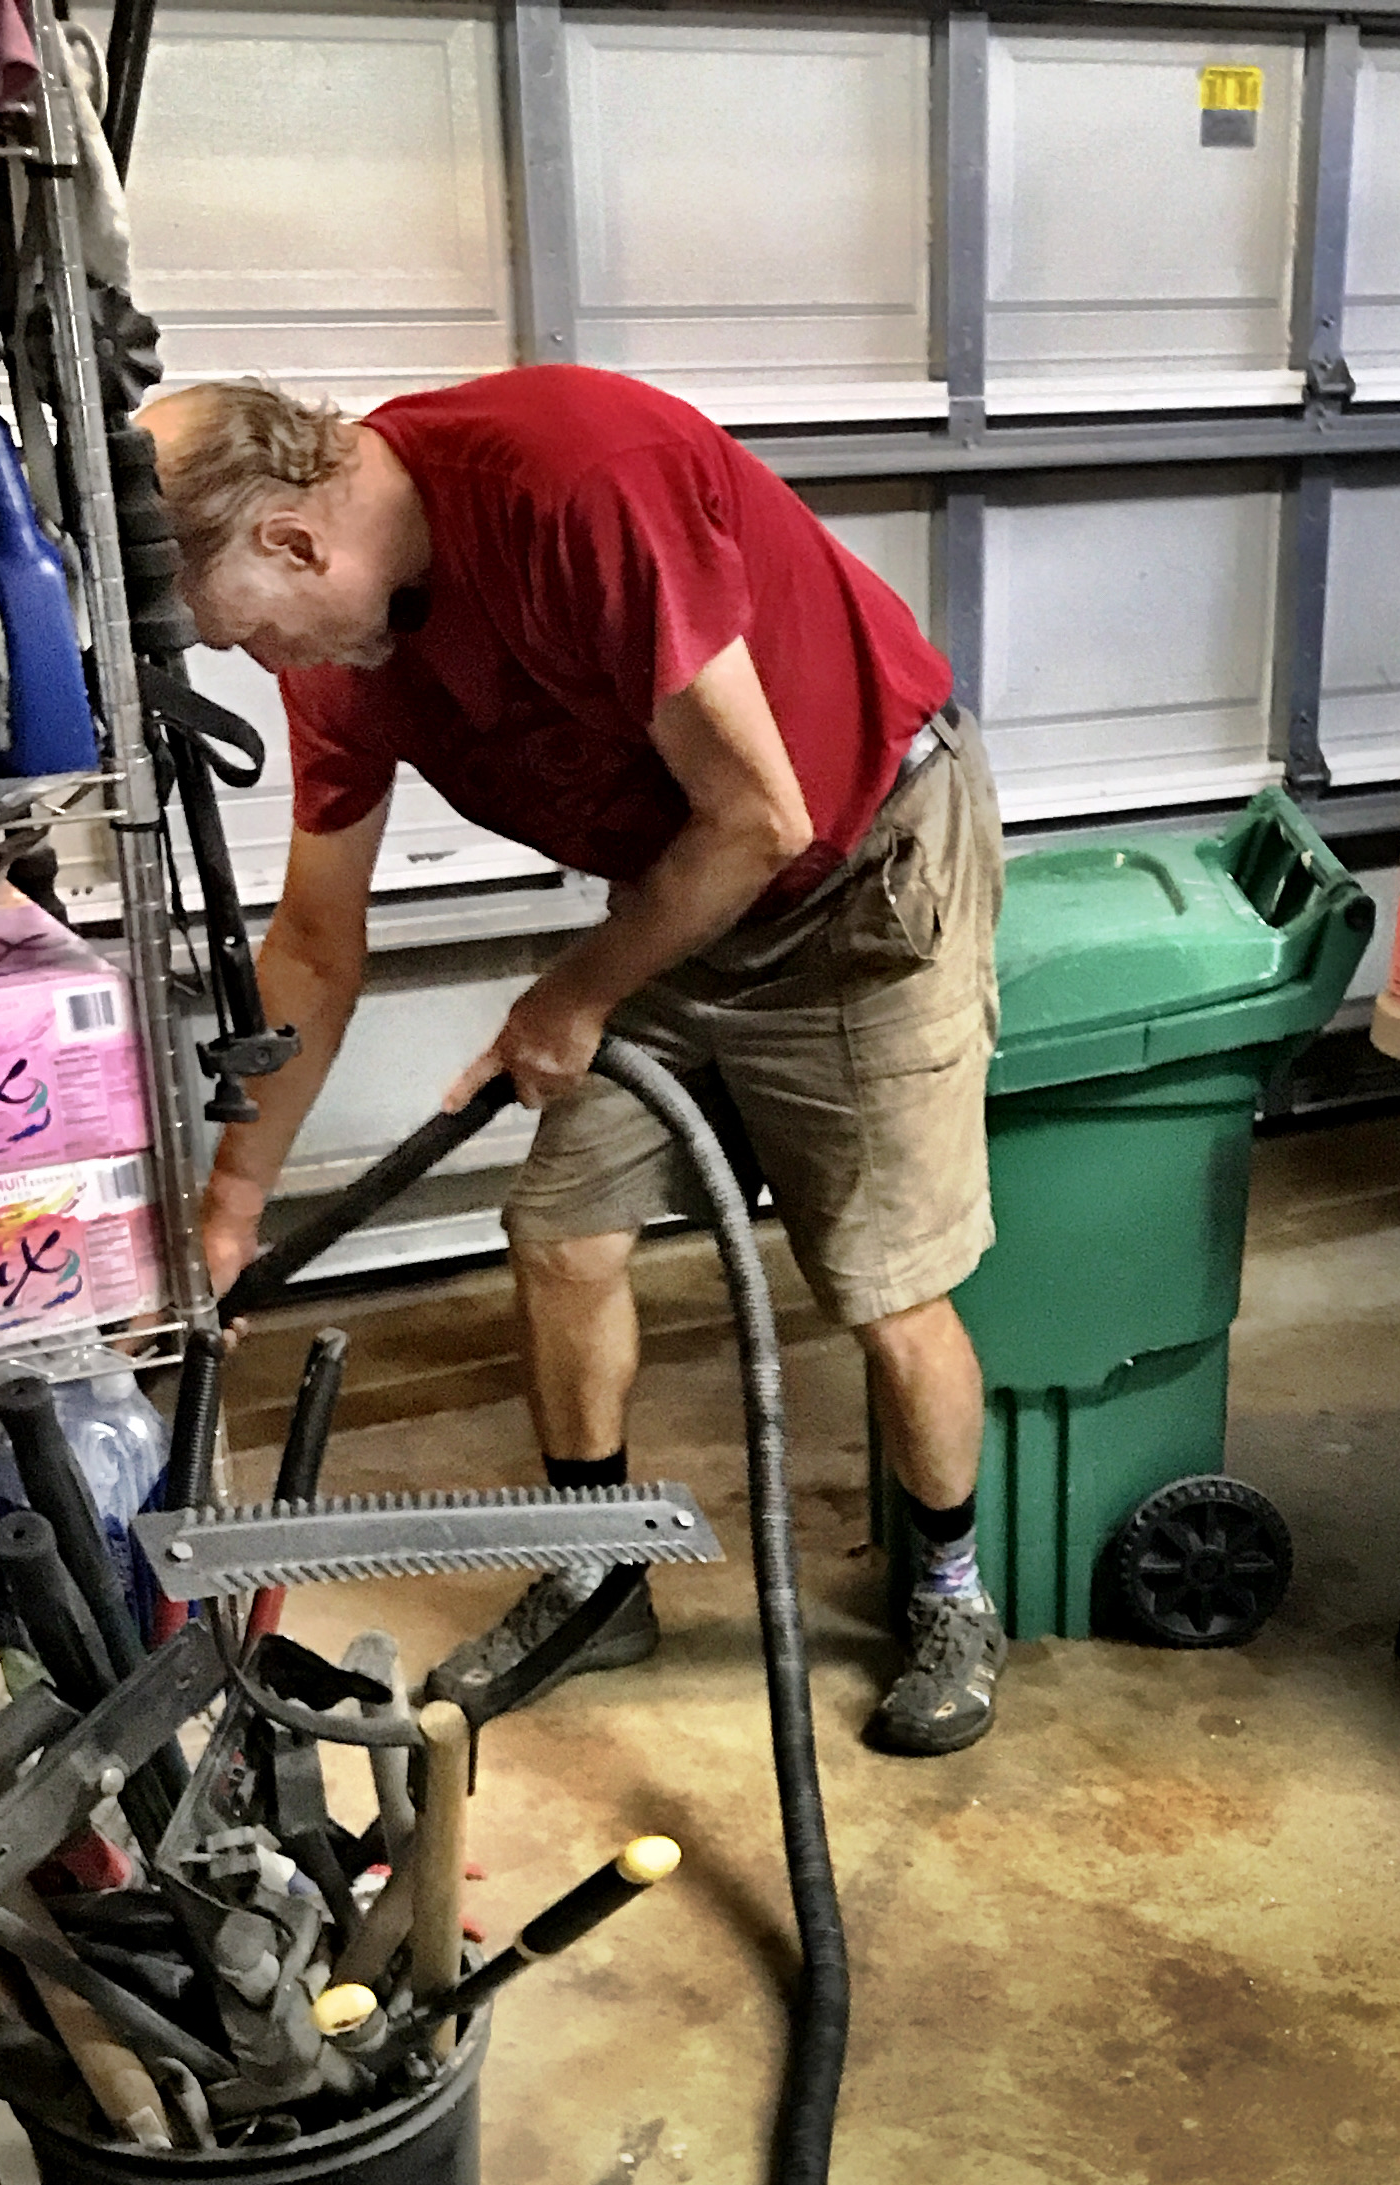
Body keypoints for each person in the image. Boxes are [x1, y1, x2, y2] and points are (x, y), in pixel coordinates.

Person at [140, 365, 1009, 1754]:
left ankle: (954, 1591)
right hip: (676, 903)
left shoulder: (573, 488)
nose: (265, 664)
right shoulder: (348, 654)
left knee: (883, 1279)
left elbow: (759, 817)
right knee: (561, 1232)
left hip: (860, 873)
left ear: (295, 542)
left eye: (250, 635)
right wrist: (235, 1202)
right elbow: (313, 943)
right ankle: (602, 1575)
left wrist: (571, 998)